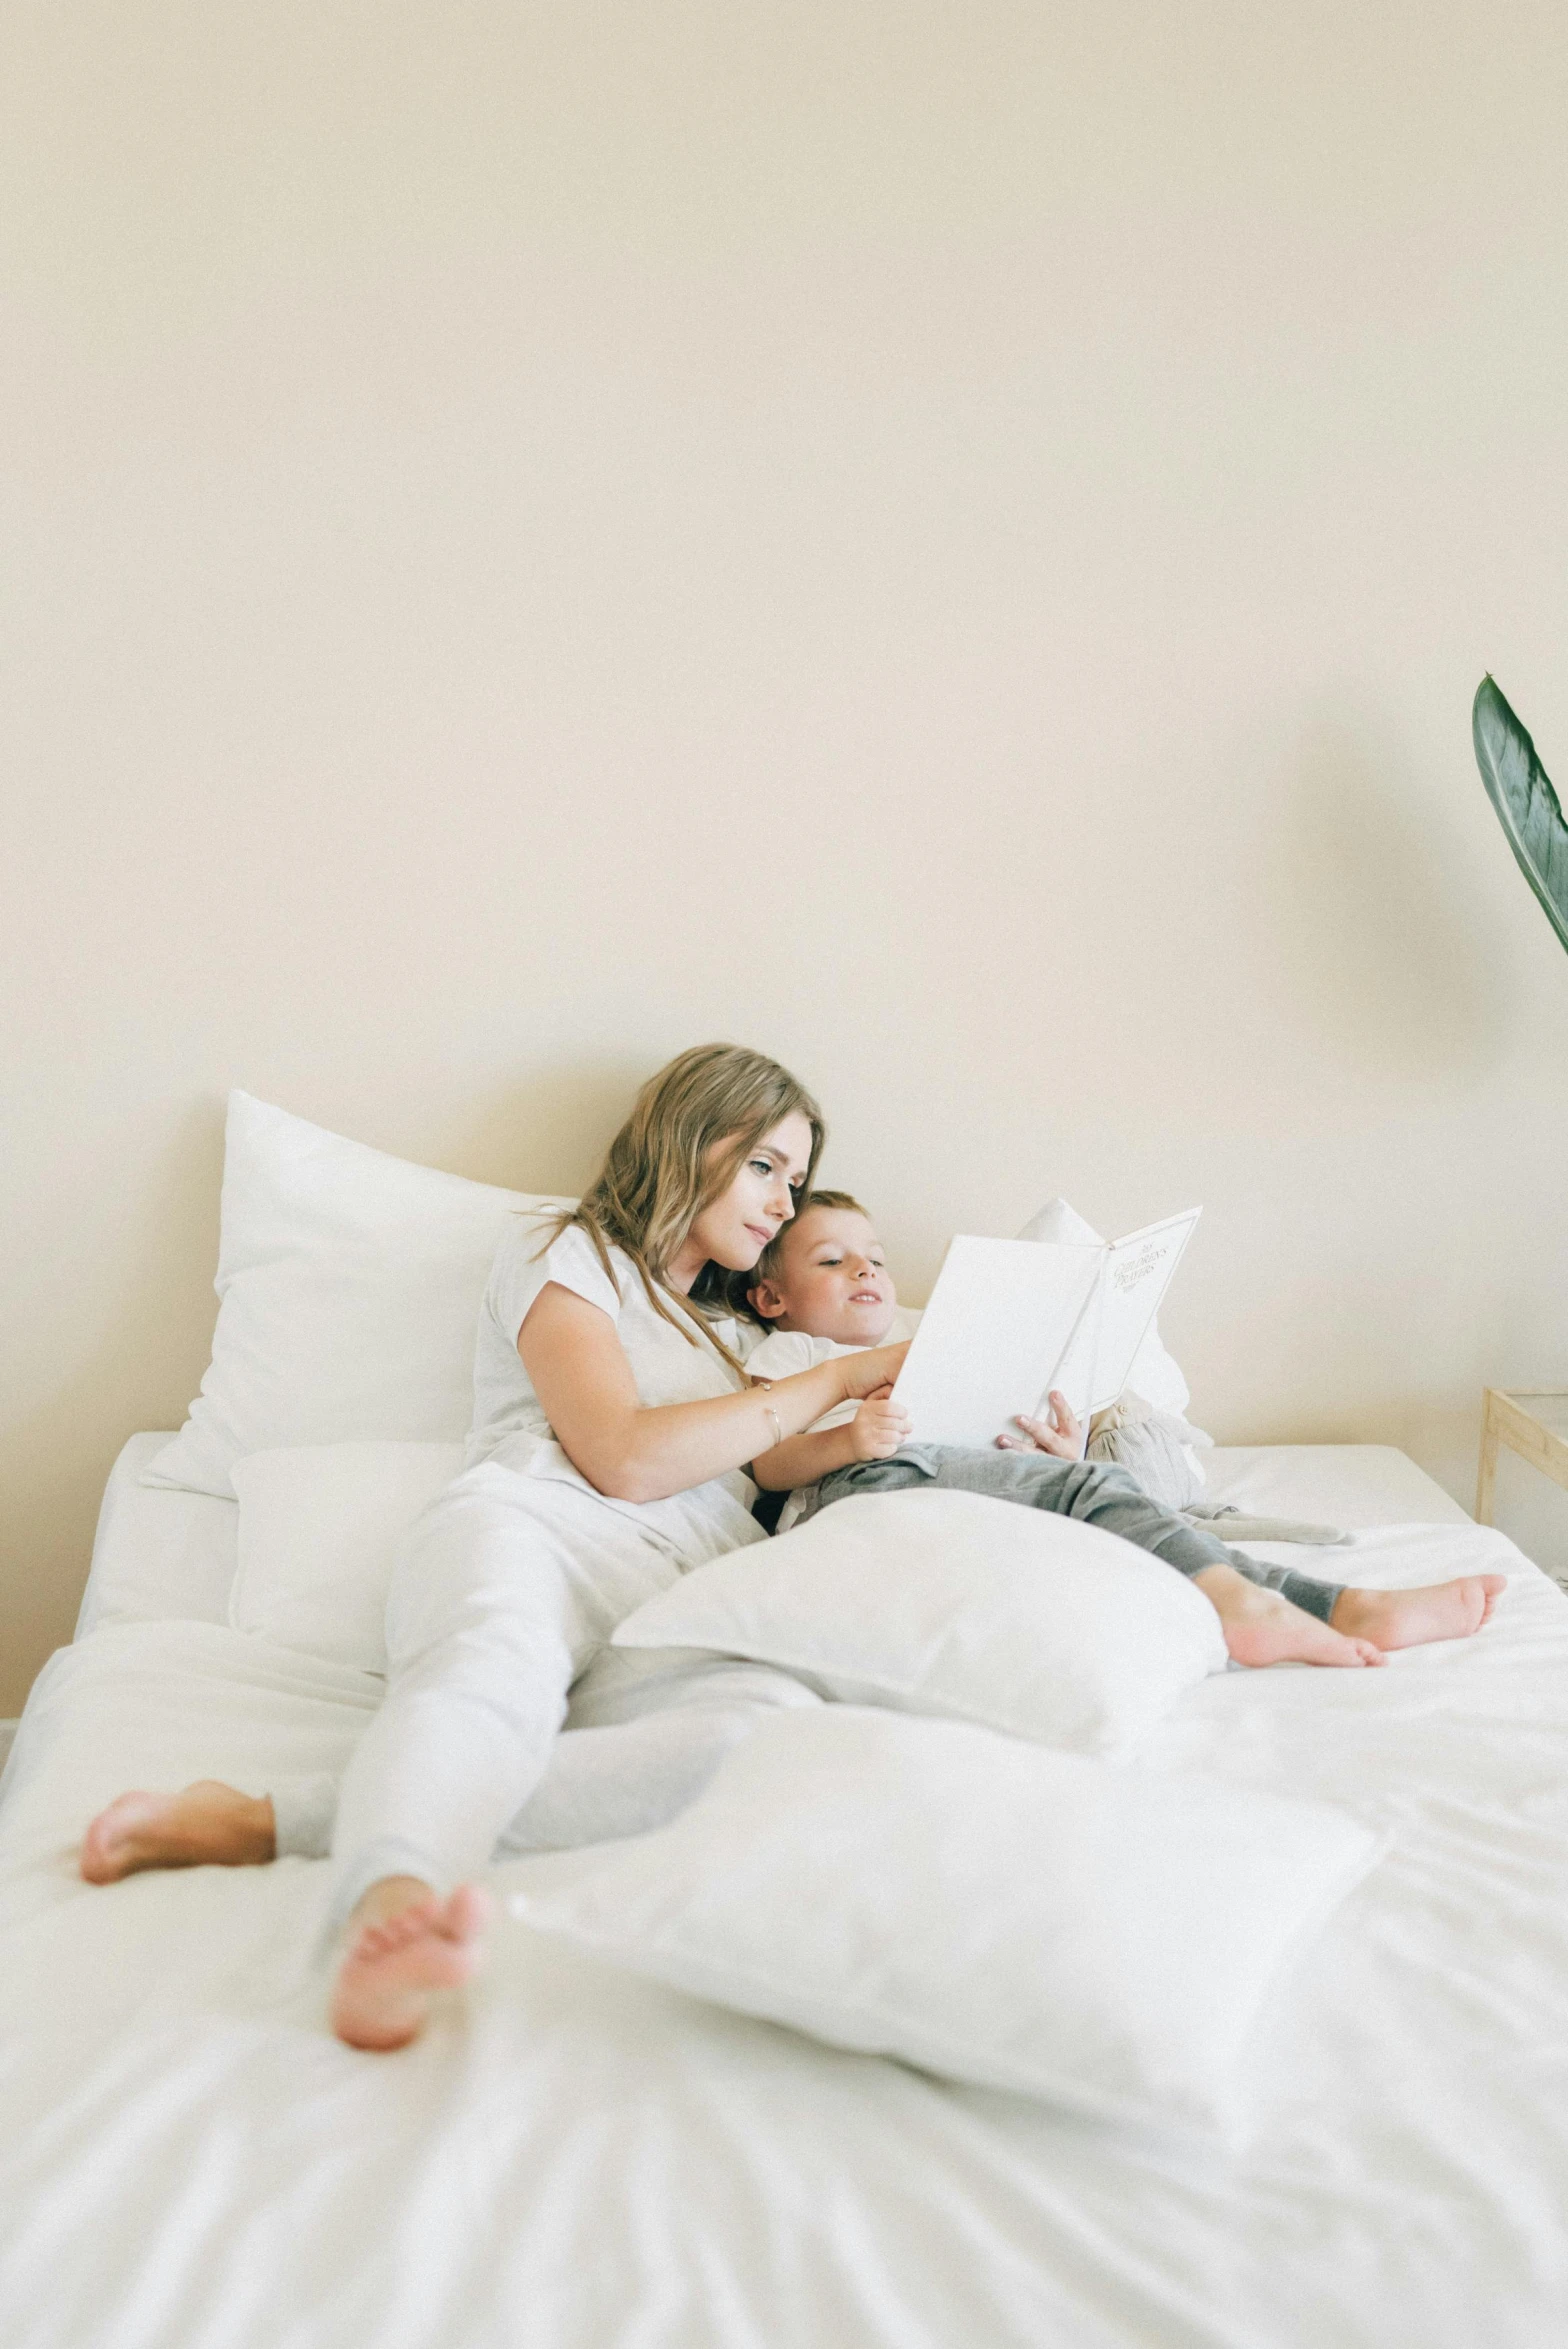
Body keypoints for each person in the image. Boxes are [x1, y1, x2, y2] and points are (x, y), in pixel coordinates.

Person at [83, 1046, 908, 2051]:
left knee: (750, 1745)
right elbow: (619, 1456)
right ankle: (385, 1918)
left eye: (795, 1177)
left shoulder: (744, 1339)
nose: (784, 1204)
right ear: (697, 1139)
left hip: (686, 1579)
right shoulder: (565, 1251)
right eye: (766, 1167)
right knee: (487, 1678)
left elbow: (776, 1469)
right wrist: (834, 1381)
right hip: (542, 1523)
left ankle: (279, 1820)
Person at [744, 1190, 1507, 1655]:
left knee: (1093, 1496)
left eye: (873, 1258)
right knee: (1101, 1494)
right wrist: (847, 1439)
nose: (866, 1271)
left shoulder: (933, 1331)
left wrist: (1053, 1449)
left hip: (963, 1489)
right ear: (771, 1297)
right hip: (865, 1486)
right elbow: (764, 1466)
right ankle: (1331, 1606)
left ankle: (1309, 1605)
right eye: (831, 1261)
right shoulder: (791, 1352)